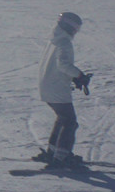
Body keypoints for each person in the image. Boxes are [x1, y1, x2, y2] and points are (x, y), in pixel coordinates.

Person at [37, 11, 91, 163]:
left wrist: (73, 77)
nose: (76, 32)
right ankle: (62, 157)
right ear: (70, 27)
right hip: (56, 89)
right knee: (69, 121)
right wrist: (79, 75)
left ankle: (53, 152)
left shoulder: (54, 41)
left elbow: (57, 66)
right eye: (76, 28)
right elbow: (63, 65)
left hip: (48, 86)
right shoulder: (64, 43)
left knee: (63, 118)